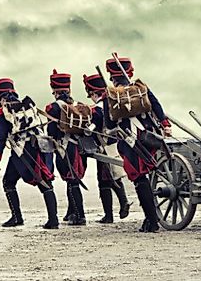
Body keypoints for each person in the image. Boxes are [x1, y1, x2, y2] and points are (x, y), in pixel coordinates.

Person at [103, 55, 172, 233]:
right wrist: (165, 125)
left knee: (139, 178)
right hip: (149, 137)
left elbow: (109, 124)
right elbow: (157, 107)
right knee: (145, 175)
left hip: (130, 140)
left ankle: (151, 220)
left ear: (112, 76)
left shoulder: (110, 94)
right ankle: (151, 218)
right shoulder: (141, 88)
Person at [0, 78, 58, 229]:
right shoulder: (27, 106)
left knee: (8, 182)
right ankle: (53, 219)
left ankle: (17, 218)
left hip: (22, 150)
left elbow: (2, 136)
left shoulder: (4, 110)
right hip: (39, 145)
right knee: (46, 183)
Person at [84, 73, 131, 223]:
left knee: (105, 180)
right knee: (113, 176)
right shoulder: (109, 103)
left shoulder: (96, 109)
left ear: (93, 93)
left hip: (104, 145)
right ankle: (121, 205)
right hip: (113, 143)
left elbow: (94, 127)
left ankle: (111, 213)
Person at [44, 70, 88, 226]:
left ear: (55, 91)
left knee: (71, 181)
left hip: (65, 147)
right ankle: (71, 212)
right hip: (80, 148)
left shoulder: (53, 108)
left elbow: (51, 132)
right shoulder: (78, 105)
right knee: (73, 180)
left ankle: (79, 215)